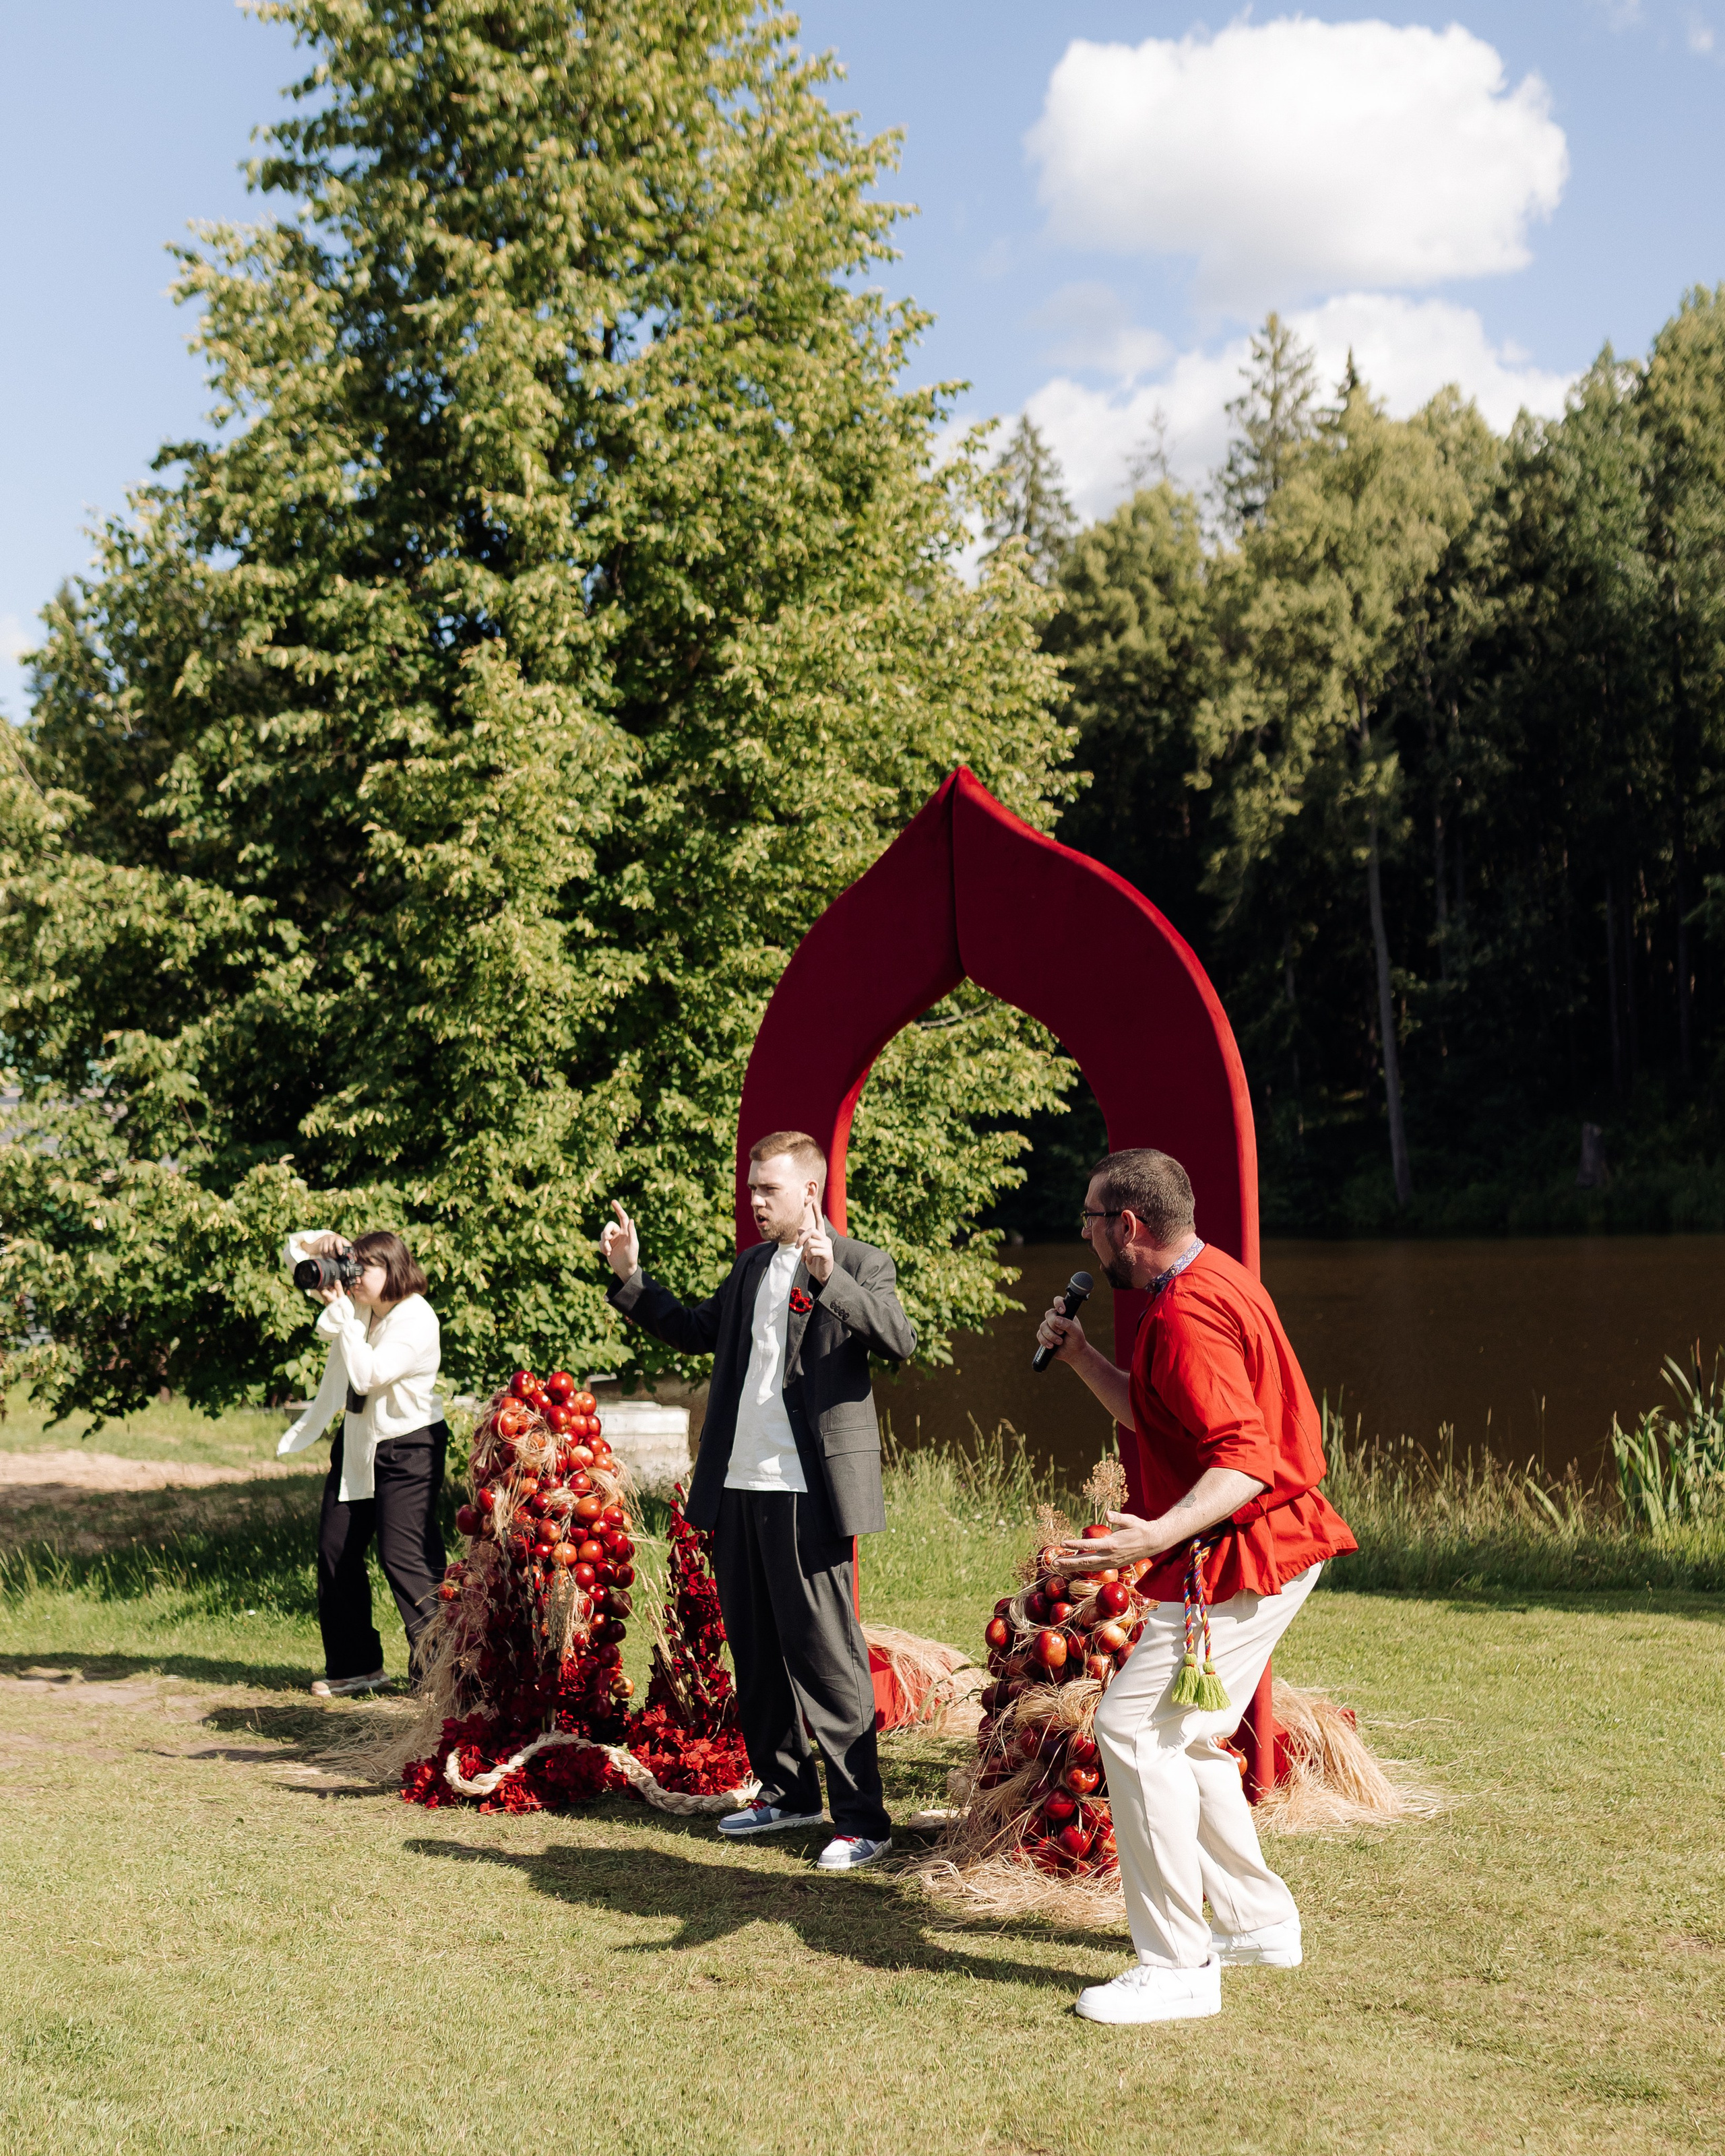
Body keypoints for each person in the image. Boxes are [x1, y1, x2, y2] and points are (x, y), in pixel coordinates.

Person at [1036, 1147, 1356, 2026]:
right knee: (1188, 1737)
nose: (1085, 1237)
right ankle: (1257, 1921)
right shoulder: (1210, 1278)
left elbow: (1246, 1461)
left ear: (1127, 1224)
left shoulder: (1185, 1316)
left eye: (1090, 1220)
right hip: (1261, 1546)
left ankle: (1178, 1967)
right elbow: (1159, 1415)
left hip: (1248, 1551)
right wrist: (1082, 1358)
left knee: (1133, 1730)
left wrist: (1155, 1532)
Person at [600, 1131, 915, 1871]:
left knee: (826, 1656)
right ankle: (786, 1792)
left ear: (810, 1190)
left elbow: (899, 1340)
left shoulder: (861, 1261)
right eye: (751, 1189)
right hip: (739, 1482)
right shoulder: (750, 1266)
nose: (755, 1201)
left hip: (809, 1489)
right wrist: (630, 1276)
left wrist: (830, 1278)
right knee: (755, 1644)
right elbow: (694, 1331)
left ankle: (863, 1819)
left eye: (768, 1189)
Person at [278, 1229, 448, 1698]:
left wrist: (343, 1314)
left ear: (393, 1269)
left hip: (409, 1447)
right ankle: (357, 1667)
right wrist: (323, 1243)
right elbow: (293, 1256)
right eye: (351, 1266)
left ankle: (443, 1672)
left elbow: (368, 1375)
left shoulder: (416, 1318)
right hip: (359, 1442)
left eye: (362, 1268)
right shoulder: (363, 1305)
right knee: (336, 1549)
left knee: (404, 1556)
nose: (352, 1278)